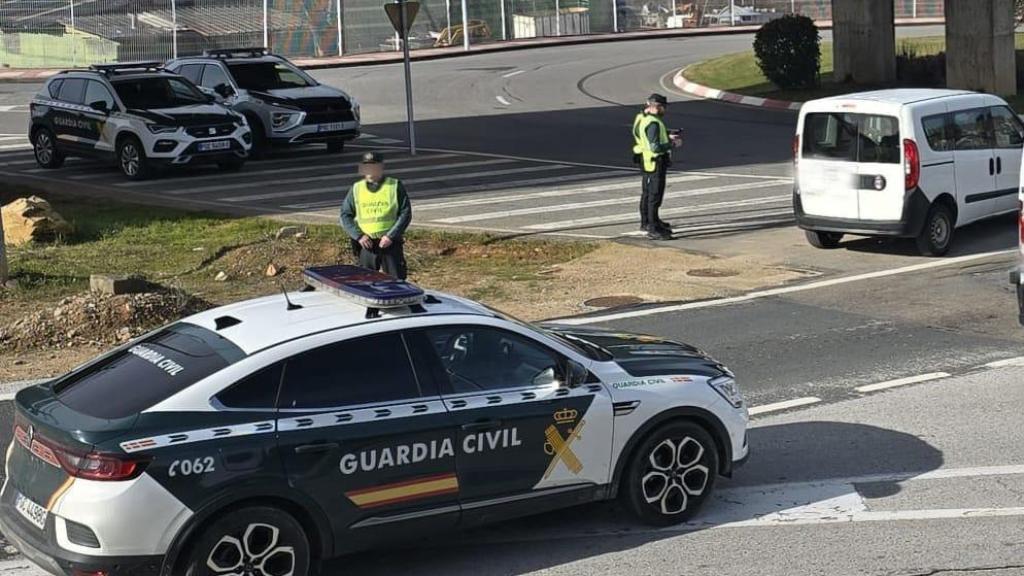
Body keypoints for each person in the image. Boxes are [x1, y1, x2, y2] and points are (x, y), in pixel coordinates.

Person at [340, 152, 412, 279]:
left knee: (396, 282)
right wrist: (359, 236)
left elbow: (405, 213)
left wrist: (390, 236)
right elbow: (345, 215)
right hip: (367, 244)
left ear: (381, 166)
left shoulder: (394, 186)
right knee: (365, 283)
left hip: (390, 244)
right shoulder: (356, 188)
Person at [632, 93, 682, 240]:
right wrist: (672, 143)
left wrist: (667, 135)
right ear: (657, 106)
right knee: (654, 195)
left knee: (647, 193)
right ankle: (652, 228)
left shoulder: (641, 117)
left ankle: (648, 222)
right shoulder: (653, 123)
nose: (664, 110)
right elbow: (655, 146)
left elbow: (643, 135)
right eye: (663, 107)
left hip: (645, 160)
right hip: (654, 161)